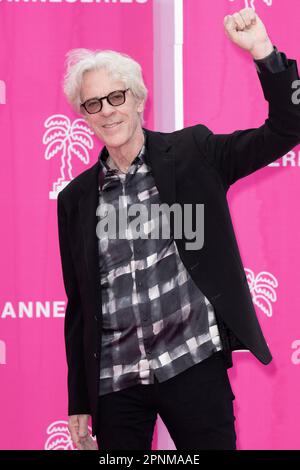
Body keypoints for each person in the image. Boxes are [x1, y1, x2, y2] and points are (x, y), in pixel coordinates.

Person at [57, 7, 300, 450]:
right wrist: (79, 399)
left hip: (192, 363)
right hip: (117, 383)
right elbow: (79, 305)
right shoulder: (75, 200)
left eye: (116, 97)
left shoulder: (193, 153)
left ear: (137, 98)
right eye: (94, 104)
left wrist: (264, 52)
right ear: (84, 115)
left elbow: (289, 126)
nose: (107, 111)